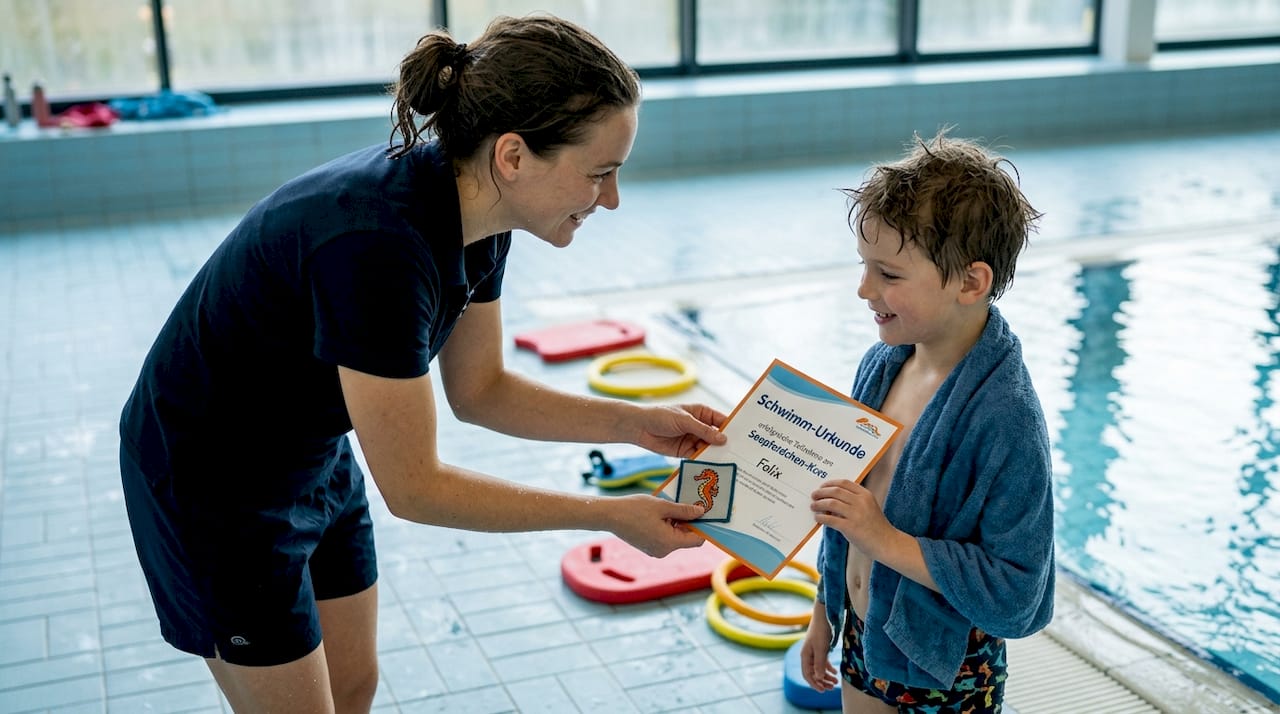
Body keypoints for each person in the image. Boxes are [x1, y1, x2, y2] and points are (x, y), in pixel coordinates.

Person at [117, 14, 727, 713]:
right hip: (211, 484)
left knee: (352, 687)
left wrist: (637, 424)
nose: (612, 199)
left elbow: (482, 390)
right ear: (513, 155)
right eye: (601, 173)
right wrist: (605, 514)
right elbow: (415, 488)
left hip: (309, 453)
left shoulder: (479, 212)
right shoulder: (377, 247)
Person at [798, 129, 1056, 713]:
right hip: (867, 635)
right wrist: (825, 608)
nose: (865, 289)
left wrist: (882, 538)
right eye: (865, 267)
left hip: (947, 663)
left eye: (888, 274)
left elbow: (1019, 591)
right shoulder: (883, 366)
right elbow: (846, 510)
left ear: (970, 281)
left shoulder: (1004, 417)